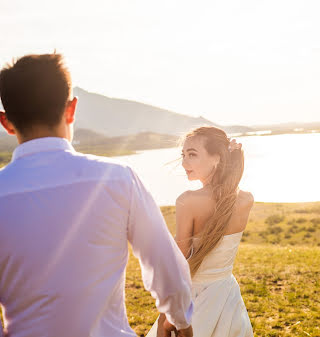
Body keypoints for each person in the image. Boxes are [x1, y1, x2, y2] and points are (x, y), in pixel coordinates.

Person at [0, 53, 193, 337]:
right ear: (71, 109)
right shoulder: (118, 179)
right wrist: (180, 320)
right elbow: (166, 266)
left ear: (6, 122)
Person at [147, 126, 254, 337]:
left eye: (192, 155)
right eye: (183, 155)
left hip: (195, 297)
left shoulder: (188, 201)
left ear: (218, 158)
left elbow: (180, 261)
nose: (184, 163)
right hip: (227, 295)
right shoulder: (246, 199)